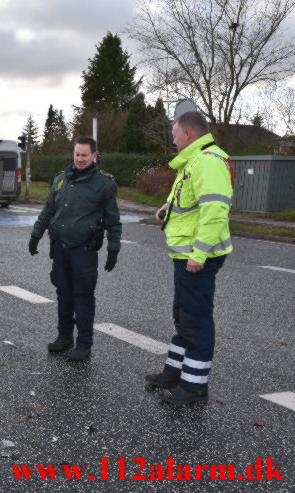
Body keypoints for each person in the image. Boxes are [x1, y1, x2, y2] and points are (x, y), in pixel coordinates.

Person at [146, 111, 233, 405]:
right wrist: (165, 209)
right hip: (187, 255)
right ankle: (175, 374)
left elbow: (215, 211)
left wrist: (200, 253)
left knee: (194, 318)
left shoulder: (208, 161)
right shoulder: (194, 161)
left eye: (174, 134)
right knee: (183, 315)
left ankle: (194, 387)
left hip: (197, 258)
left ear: (188, 134)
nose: (172, 139)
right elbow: (186, 200)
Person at [29, 136, 122, 361]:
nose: (80, 159)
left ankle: (84, 344)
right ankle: (64, 337)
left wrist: (113, 248)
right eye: (77, 154)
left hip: (84, 250)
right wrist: (35, 235)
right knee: (63, 293)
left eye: (84, 155)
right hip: (60, 248)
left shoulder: (104, 184)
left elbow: (113, 220)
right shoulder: (61, 179)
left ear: (94, 156)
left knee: (83, 296)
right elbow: (48, 210)